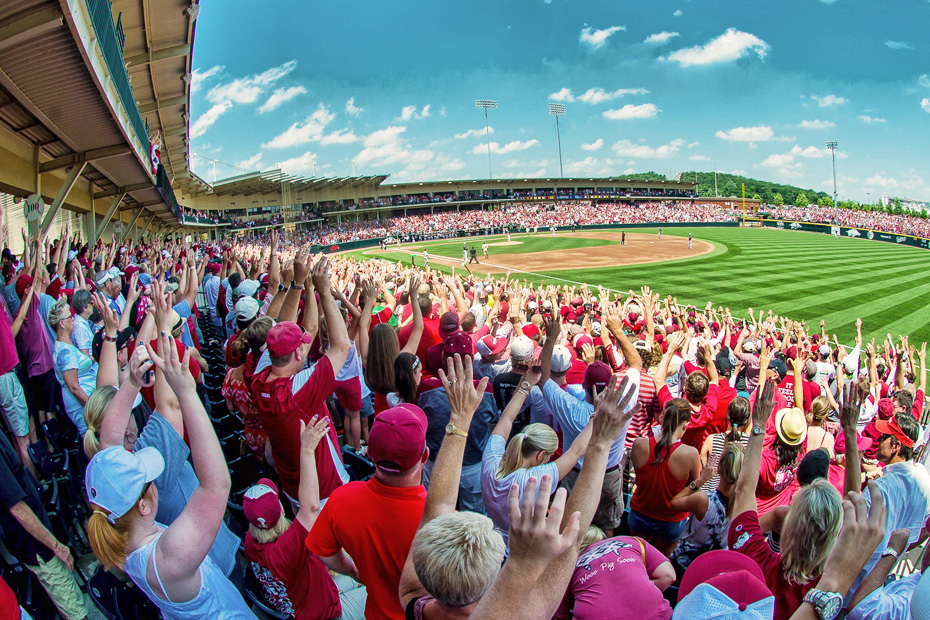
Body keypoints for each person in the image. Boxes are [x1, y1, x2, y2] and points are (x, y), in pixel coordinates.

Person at [84, 331, 256, 619]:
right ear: (144, 505)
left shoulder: (119, 535)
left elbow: (110, 441)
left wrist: (131, 386)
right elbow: (216, 485)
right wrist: (187, 392)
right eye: (148, 478)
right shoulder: (169, 557)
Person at [728, 381, 843, 620]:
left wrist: (758, 425)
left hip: (758, 518)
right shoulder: (827, 590)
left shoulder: (755, 556)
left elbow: (744, 490)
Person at [305, 404, 429, 620]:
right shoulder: (439, 520)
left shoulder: (343, 498)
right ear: (424, 456)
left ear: (370, 456)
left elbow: (322, 551)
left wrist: (354, 571)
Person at [251, 254, 351, 510]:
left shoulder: (259, 380)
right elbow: (341, 346)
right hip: (324, 490)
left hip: (293, 486)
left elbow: (280, 327)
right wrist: (325, 292)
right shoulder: (296, 391)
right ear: (297, 353)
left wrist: (298, 282)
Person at [243, 416, 365, 620]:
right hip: (327, 613)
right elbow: (310, 507)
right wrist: (307, 450)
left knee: (362, 567)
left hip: (309, 594)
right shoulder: (285, 551)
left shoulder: (250, 541)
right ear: (281, 511)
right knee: (384, 589)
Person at [481, 367, 592, 546]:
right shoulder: (532, 479)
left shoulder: (491, 460)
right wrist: (596, 416)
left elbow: (506, 420)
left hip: (492, 541)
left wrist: (525, 386)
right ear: (541, 456)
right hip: (519, 550)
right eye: (549, 456)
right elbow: (576, 451)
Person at [0, 431, 88, 620]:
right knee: (74, 609)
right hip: (35, 544)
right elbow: (17, 508)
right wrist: (56, 546)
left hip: (37, 535)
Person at [629, 398, 702, 556]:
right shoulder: (690, 454)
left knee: (635, 558)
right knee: (660, 564)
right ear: (685, 425)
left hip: (640, 512)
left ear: (662, 418)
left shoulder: (639, 444)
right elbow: (694, 490)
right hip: (671, 520)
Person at [555, 527, 675, 620]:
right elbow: (668, 576)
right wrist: (636, 590)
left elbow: (561, 614)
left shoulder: (567, 568)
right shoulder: (631, 541)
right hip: (656, 615)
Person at [671, 442, 744, 573]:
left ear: (720, 468)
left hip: (683, 565)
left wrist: (700, 480)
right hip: (710, 571)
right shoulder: (742, 508)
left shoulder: (704, 500)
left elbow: (674, 503)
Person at [48, 297, 98, 437]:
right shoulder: (65, 352)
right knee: (90, 438)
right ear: (62, 323)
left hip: (86, 401)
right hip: (81, 406)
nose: (73, 319)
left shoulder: (67, 346)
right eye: (70, 316)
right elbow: (74, 387)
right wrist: (93, 408)